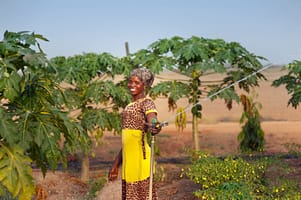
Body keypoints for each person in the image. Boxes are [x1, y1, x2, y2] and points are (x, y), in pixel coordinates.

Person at [108, 67, 161, 200]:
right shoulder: (130, 105)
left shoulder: (147, 103)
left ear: (145, 85)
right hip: (129, 162)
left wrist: (155, 125)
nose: (132, 85)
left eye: (137, 83)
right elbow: (128, 141)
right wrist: (115, 165)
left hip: (140, 160)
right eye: (130, 82)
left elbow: (152, 118)